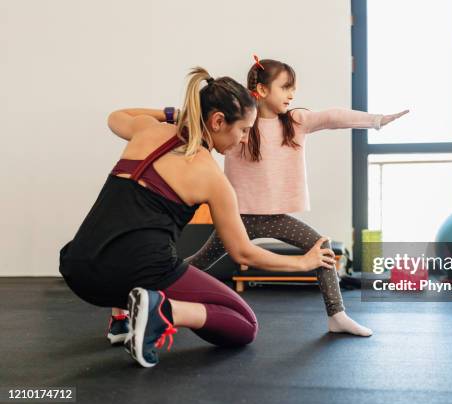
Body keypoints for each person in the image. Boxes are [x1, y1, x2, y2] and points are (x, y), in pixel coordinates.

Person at [59, 67, 335, 368]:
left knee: (125, 237)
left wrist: (174, 114)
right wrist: (302, 262)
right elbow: (243, 251)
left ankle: (126, 318)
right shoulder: (212, 178)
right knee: (245, 325)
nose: (244, 139)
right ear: (217, 121)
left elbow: (116, 115)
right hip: (140, 272)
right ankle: (163, 312)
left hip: (79, 270)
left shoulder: (147, 131)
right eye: (243, 130)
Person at [188, 57, 410, 337]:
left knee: (322, 248)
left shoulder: (295, 122)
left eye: (293, 88)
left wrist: (376, 120)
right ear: (263, 90)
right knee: (197, 263)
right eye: (285, 87)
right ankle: (148, 288)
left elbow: (332, 117)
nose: (292, 94)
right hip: (237, 218)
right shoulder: (240, 124)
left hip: (274, 218)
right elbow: (200, 123)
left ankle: (337, 315)